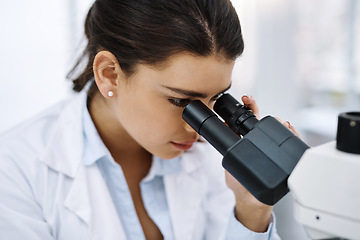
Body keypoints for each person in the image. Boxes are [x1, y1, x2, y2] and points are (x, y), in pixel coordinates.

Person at [0, 0, 299, 239]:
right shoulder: (15, 169)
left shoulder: (209, 162)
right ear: (110, 74)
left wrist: (251, 208)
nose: (199, 130)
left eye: (215, 101)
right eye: (180, 101)